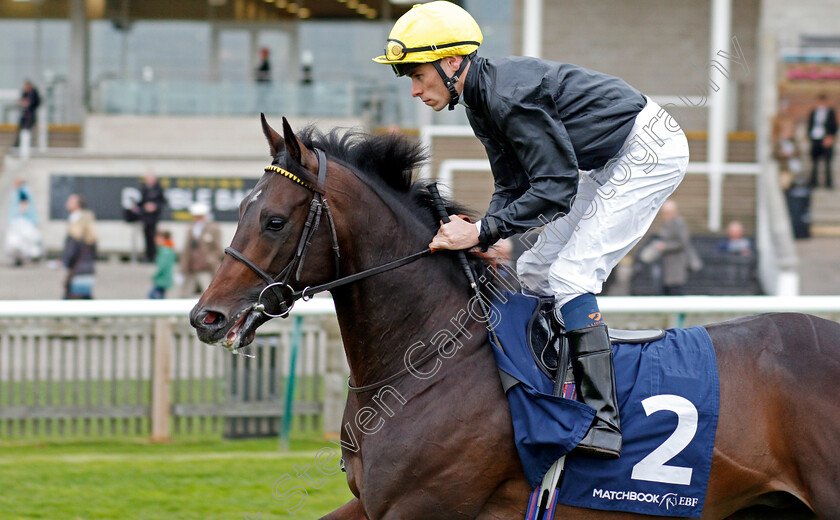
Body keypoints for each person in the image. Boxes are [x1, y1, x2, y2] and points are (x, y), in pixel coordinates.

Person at [374, 1, 689, 458]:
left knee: (570, 278)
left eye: (417, 75)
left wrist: (483, 232)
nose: (414, 90)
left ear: (450, 62)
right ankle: (553, 392)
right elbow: (512, 183)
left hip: (648, 151)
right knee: (538, 269)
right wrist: (489, 231)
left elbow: (556, 189)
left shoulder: (507, 95)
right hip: (606, 161)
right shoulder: (480, 101)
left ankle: (603, 421)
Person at [180, 202, 223, 297]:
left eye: (200, 216)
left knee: (208, 294)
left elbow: (218, 248)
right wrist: (182, 269)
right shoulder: (191, 229)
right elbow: (186, 250)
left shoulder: (213, 229)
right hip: (191, 267)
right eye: (196, 216)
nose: (197, 219)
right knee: (184, 294)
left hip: (206, 268)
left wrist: (211, 259)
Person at [654, 200, 695, 296]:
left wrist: (665, 247)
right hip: (666, 265)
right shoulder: (666, 223)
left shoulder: (678, 223)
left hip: (676, 264)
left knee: (676, 290)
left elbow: (683, 242)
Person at [62, 194, 97, 299]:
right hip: (89, 270)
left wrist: (65, 262)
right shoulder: (91, 236)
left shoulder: (74, 235)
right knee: (86, 298)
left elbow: (70, 253)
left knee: (69, 299)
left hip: (77, 271)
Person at [133, 174, 166, 262]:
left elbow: (162, 203)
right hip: (145, 218)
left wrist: (154, 206)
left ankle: (153, 256)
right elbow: (140, 202)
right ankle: (147, 256)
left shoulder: (158, 190)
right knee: (146, 237)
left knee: (153, 237)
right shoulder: (144, 189)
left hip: (154, 218)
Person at [807, 93, 837, 189]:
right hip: (815, 138)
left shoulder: (830, 112)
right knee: (815, 162)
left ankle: (829, 183)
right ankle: (813, 182)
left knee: (827, 162)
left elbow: (834, 126)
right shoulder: (814, 112)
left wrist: (830, 137)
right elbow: (810, 125)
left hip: (826, 138)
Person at [14, 80, 41, 158]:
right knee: (22, 130)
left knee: (28, 131)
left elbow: (37, 102)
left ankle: (30, 146)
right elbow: (21, 101)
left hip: (31, 114)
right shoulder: (25, 93)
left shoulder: (34, 94)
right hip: (24, 114)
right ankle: (18, 145)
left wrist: (30, 104)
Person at [149, 230, 177, 299]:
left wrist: (155, 275)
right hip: (164, 279)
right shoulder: (168, 248)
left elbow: (162, 266)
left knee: (153, 296)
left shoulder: (165, 250)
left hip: (161, 280)